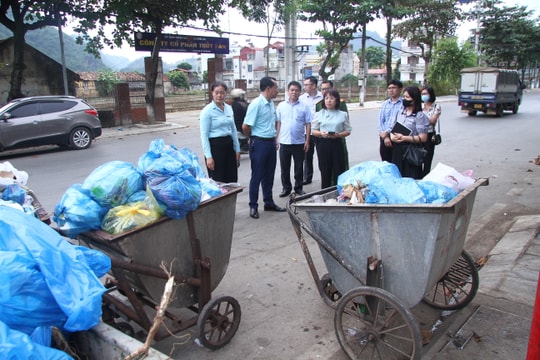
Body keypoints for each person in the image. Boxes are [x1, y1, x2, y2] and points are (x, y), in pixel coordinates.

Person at [242, 76, 284, 219]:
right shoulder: (256, 104)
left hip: (270, 143)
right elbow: (246, 126)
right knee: (257, 175)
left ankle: (268, 202)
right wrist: (251, 138)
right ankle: (253, 206)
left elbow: (275, 122)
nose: (277, 91)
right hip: (259, 143)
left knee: (269, 174)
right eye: (275, 88)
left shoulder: (271, 103)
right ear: (268, 89)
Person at [276, 81, 312, 198]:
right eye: (292, 90)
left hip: (299, 142)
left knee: (298, 167)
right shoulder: (281, 106)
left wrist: (307, 141)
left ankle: (298, 188)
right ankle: (286, 188)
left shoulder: (304, 107)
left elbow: (308, 124)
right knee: (284, 168)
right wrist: (276, 138)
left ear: (299, 92)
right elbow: (278, 123)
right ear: (288, 91)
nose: (294, 92)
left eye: (296, 90)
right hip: (284, 142)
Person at [200, 81, 241, 183]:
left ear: (225, 93)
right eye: (216, 92)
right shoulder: (207, 111)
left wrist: (237, 149)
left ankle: (232, 199)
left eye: (222, 92)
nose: (219, 95)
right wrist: (208, 157)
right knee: (218, 181)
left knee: (232, 180)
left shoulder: (229, 108)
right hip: (215, 148)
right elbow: (204, 136)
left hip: (229, 146)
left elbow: (234, 131)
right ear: (212, 93)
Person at [311, 89, 352, 189]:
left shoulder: (343, 114)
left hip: (336, 144)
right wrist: (321, 133)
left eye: (332, 98)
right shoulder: (319, 114)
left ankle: (340, 193)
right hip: (323, 144)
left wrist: (338, 135)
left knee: (339, 169)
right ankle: (325, 192)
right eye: (326, 98)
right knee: (325, 171)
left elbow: (348, 131)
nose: (329, 101)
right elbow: (313, 131)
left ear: (336, 100)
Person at [390, 85, 429, 179]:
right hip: (397, 149)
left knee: (410, 177)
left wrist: (404, 138)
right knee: (397, 176)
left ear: (414, 99)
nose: (404, 99)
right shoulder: (400, 113)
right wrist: (392, 137)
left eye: (407, 97)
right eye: (404, 97)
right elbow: (392, 129)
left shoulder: (419, 116)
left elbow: (423, 138)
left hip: (411, 151)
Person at [317, 79, 350, 176]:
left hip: (338, 139)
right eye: (322, 89)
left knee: (339, 167)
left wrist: (339, 135)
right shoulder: (318, 106)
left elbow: (346, 127)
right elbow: (314, 128)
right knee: (325, 169)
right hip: (323, 141)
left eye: (327, 89)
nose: (324, 91)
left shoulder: (341, 105)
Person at [299, 76, 323, 185]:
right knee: (307, 155)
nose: (304, 87)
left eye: (306, 85)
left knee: (322, 155)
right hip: (306, 132)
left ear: (313, 85)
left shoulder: (323, 97)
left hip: (320, 131)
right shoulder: (302, 99)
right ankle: (307, 177)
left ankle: (324, 175)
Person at [378, 79, 403, 162]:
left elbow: (401, 121)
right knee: (385, 161)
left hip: (397, 136)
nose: (391, 90)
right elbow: (381, 121)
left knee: (397, 162)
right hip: (384, 136)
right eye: (389, 88)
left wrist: (388, 133)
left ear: (400, 89)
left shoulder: (403, 104)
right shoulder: (385, 104)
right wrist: (385, 136)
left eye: (394, 88)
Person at [421, 86, 441, 177]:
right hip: (419, 133)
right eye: (422, 94)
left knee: (427, 158)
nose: (423, 96)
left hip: (429, 134)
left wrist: (420, 118)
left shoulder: (436, 106)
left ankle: (426, 176)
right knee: (417, 156)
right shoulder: (420, 105)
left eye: (425, 94)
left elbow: (433, 121)